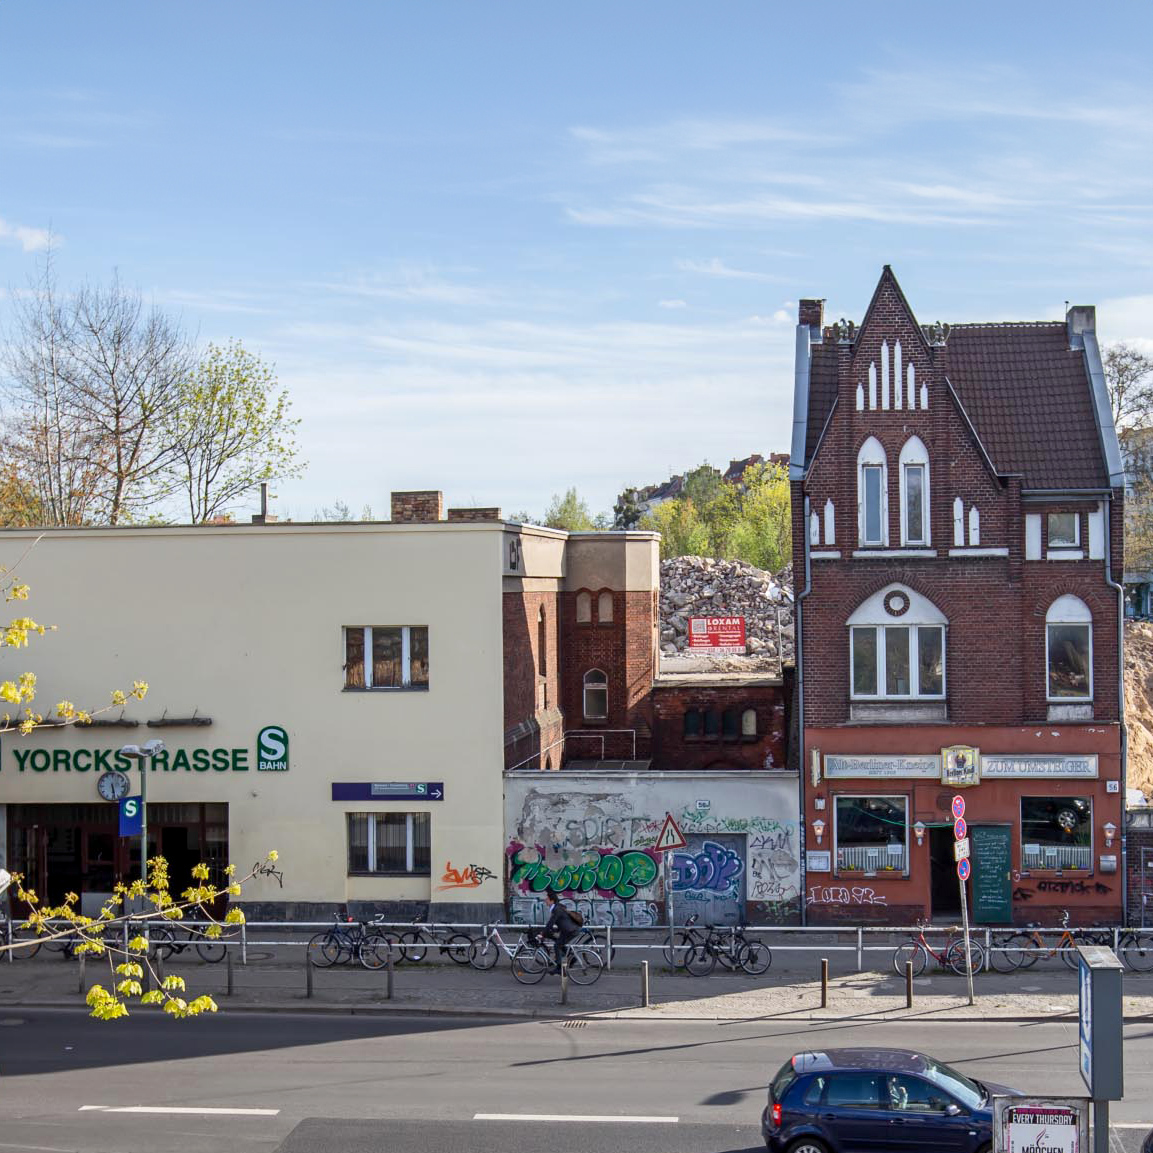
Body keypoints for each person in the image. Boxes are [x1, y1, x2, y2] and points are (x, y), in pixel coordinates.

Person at [542, 890, 578, 974]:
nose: (545, 900)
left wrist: (543, 933)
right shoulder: (557, 907)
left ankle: (559, 967)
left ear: (552, 901)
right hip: (568, 930)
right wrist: (551, 931)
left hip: (570, 931)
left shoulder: (556, 909)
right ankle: (573, 959)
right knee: (560, 943)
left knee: (557, 945)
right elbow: (561, 921)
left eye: (547, 899)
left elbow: (551, 923)